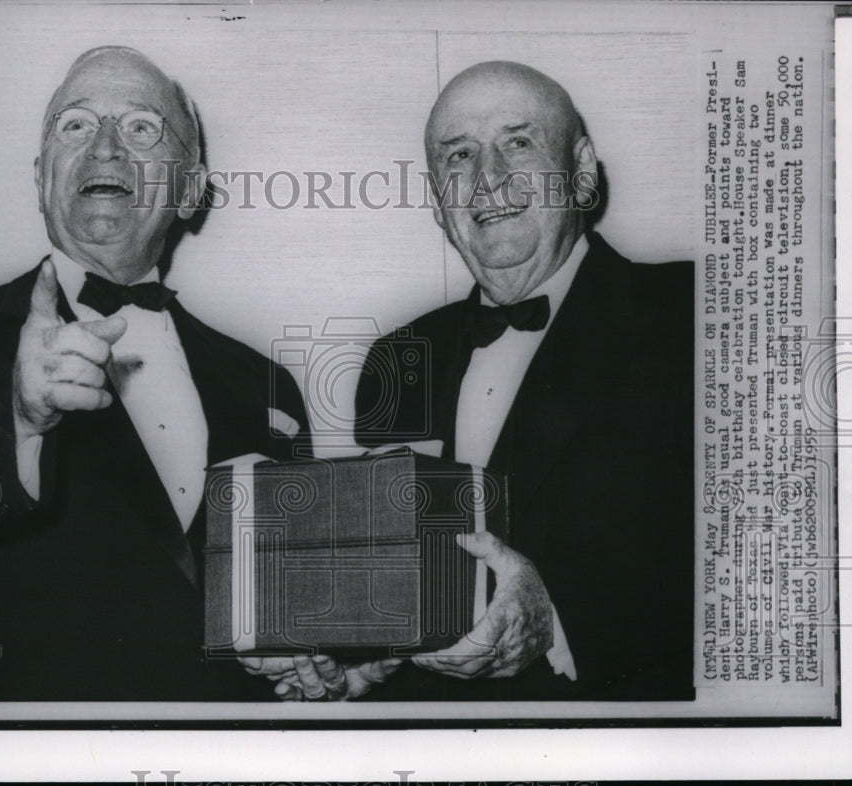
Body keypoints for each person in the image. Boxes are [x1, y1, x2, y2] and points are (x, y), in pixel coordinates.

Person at [252, 61, 693, 701]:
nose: (488, 179)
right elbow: (405, 583)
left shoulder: (697, 312)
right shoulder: (397, 358)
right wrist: (369, 659)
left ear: (583, 169)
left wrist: (556, 619)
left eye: (518, 142)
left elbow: (766, 576)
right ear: (438, 203)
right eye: (458, 156)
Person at [0, 46, 308, 701]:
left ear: (191, 189)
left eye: (142, 127)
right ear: (41, 177)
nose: (107, 148)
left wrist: (324, 662)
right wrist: (19, 423)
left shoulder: (266, 386)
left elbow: (287, 614)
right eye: (76, 125)